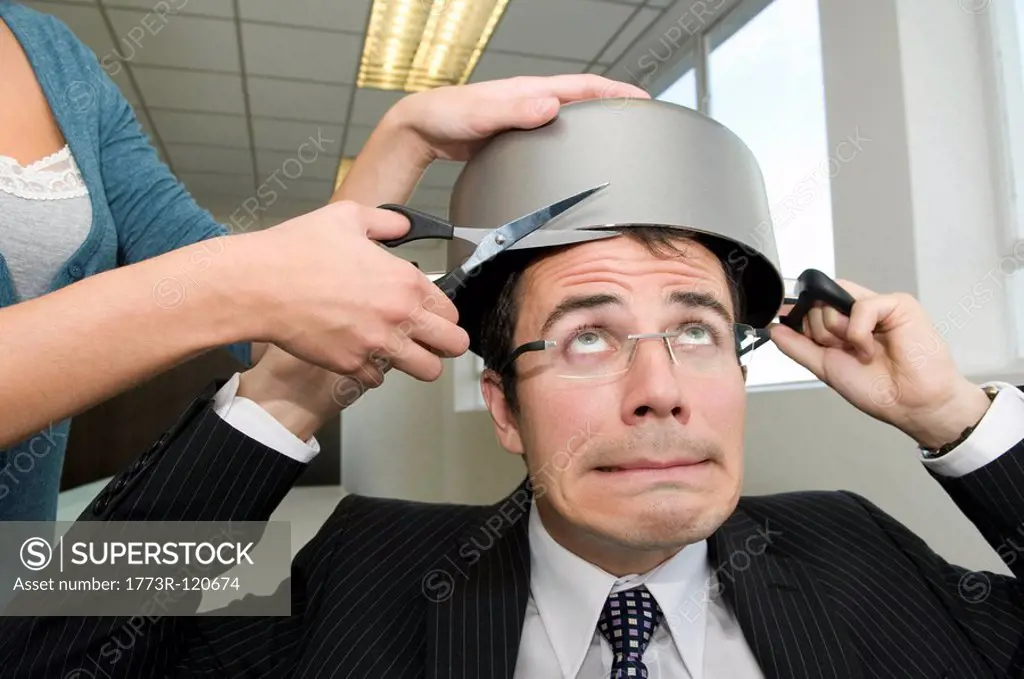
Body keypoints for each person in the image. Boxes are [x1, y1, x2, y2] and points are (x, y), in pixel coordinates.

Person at [4, 102, 1023, 679]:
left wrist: (956, 421)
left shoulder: (854, 549)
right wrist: (290, 388)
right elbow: (45, 629)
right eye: (588, 338)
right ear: (502, 404)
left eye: (698, 333)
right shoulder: (360, 563)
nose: (659, 388)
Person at [0, 0, 645, 521]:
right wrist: (240, 287)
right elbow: (249, 298)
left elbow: (272, 332)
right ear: (502, 407)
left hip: (20, 568)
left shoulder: (53, 55)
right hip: (42, 594)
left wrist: (407, 136)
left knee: (121, 603)